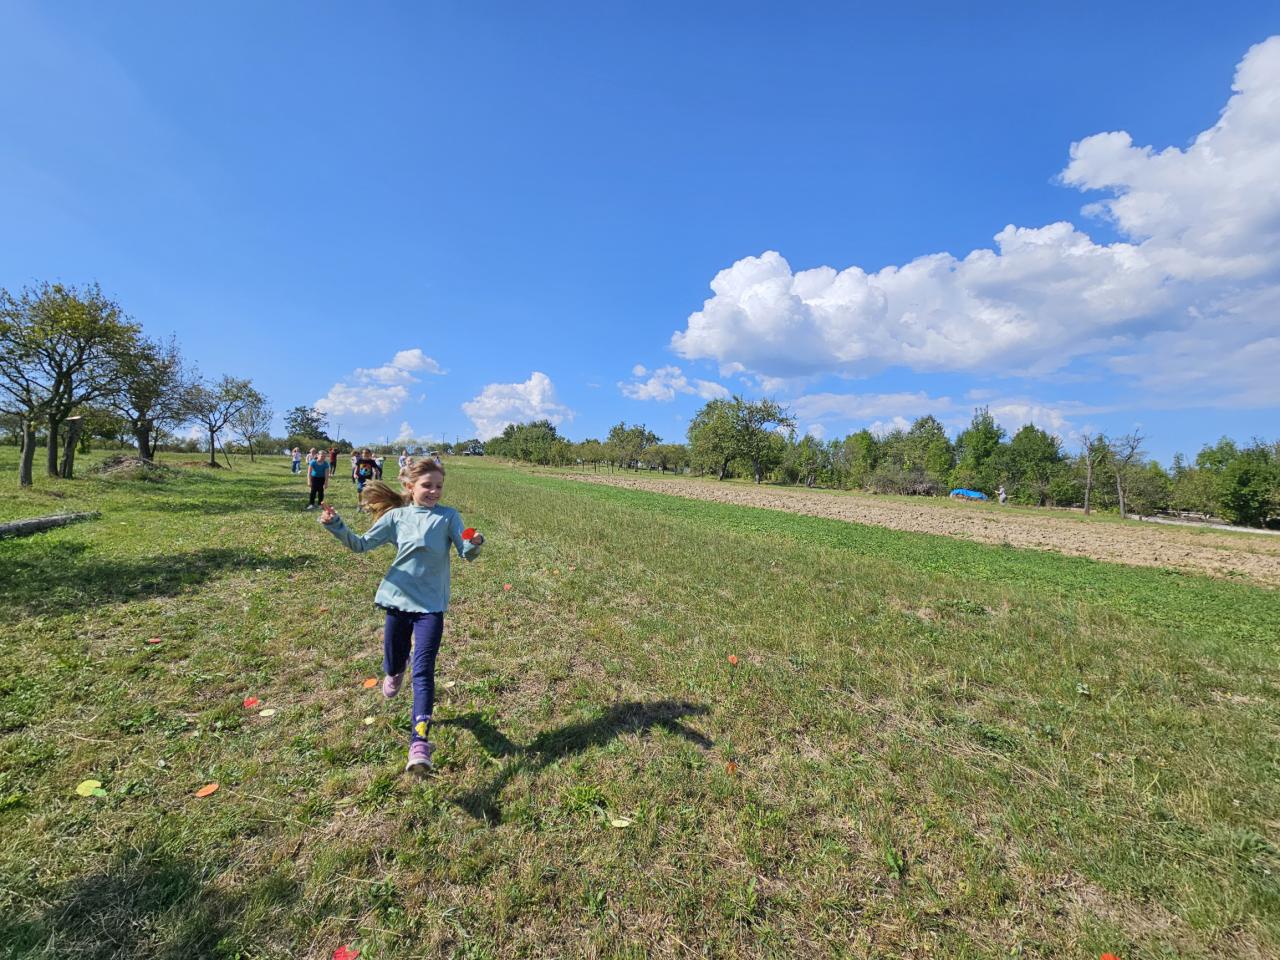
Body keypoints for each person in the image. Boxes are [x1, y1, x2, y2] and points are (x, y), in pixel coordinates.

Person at [319, 460, 483, 774]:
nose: (434, 491)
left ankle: (419, 741)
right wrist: (335, 524)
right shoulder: (396, 517)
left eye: (438, 486)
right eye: (427, 485)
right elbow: (361, 544)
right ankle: (394, 670)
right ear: (410, 487)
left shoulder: (448, 516)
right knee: (395, 662)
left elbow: (465, 552)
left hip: (431, 607)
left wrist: (474, 543)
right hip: (397, 600)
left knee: (424, 671)